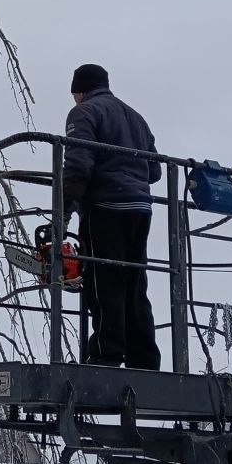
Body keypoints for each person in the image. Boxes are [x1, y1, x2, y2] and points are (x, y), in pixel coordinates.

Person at [63, 64, 162, 370]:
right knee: (134, 283)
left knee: (102, 281)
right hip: (140, 209)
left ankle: (105, 356)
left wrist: (63, 212)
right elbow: (156, 171)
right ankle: (144, 359)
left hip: (105, 207)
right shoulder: (136, 118)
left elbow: (78, 164)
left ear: (78, 91)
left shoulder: (84, 112)